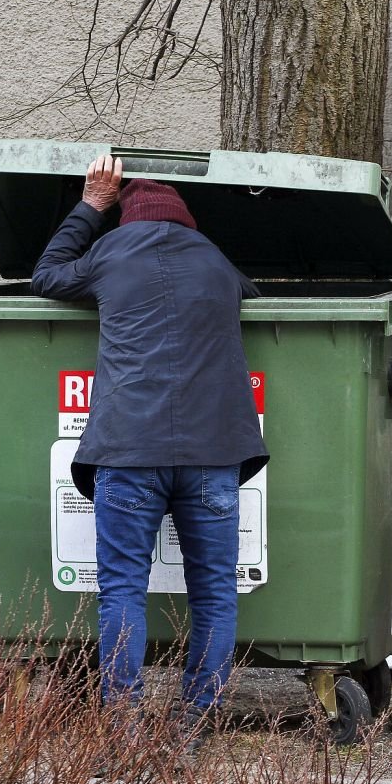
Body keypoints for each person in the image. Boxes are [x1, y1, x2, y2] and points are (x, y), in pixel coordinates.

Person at [31, 154, 269, 752]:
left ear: (126, 221)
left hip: (128, 452)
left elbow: (46, 276)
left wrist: (90, 206)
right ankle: (195, 721)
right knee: (214, 590)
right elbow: (253, 292)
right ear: (187, 222)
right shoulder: (216, 263)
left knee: (122, 589)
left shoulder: (110, 254)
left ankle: (125, 725)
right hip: (213, 455)